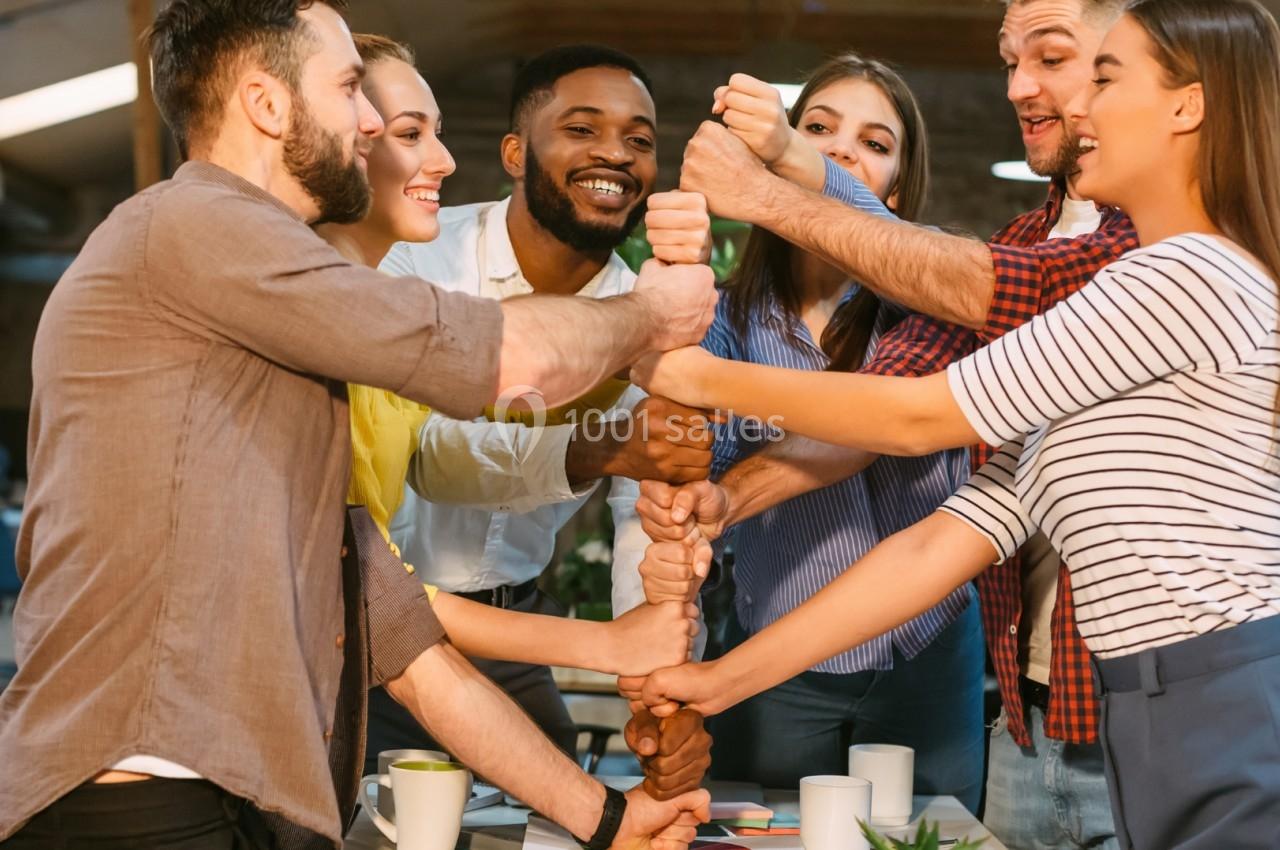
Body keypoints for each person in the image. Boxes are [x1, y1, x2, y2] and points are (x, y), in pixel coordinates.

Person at [0, 1, 715, 846]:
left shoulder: (279, 333)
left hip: (231, 791)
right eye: (349, 90)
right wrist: (654, 311)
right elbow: (500, 356)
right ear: (268, 105)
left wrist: (609, 819)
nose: (369, 123)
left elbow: (398, 635)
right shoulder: (197, 228)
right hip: (139, 791)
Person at [632, 1, 1280, 846]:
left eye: (1105, 78)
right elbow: (940, 544)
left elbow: (915, 414)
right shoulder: (1125, 309)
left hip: (1220, 697)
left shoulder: (1184, 275)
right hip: (1152, 708)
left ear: (1186, 107)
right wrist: (721, 680)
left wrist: (693, 370)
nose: (1076, 106)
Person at [320, 34, 711, 784]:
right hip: (368, 630)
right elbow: (437, 453)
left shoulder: (655, 313)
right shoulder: (408, 252)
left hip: (515, 634)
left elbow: (648, 522)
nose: (617, 154)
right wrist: (596, 447)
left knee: (559, 813)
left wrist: (660, 693)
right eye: (581, 128)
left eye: (639, 139)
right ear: (513, 152)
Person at [649, 52, 984, 807]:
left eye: (874, 143)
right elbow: (704, 457)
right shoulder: (732, 314)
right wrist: (683, 275)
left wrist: (791, 164)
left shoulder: (933, 296)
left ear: (895, 186)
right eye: (820, 129)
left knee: (931, 835)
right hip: (777, 656)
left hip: (925, 653)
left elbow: (874, 425)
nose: (840, 151)